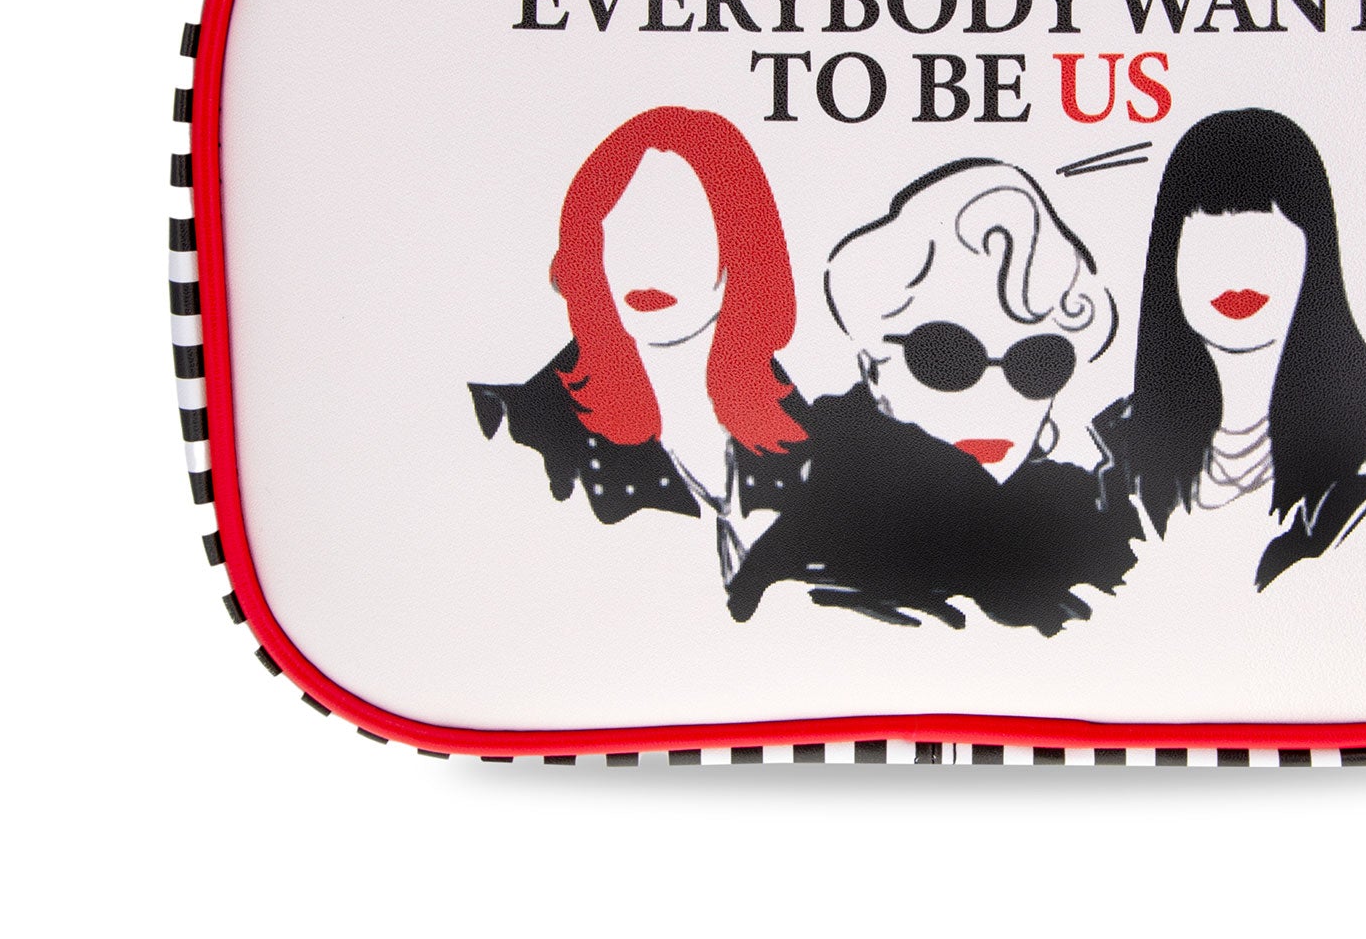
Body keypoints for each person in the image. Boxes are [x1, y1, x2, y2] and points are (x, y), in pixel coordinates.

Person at [728, 158, 1138, 634]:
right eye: (946, 358)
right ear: (872, 368)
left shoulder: (1087, 529)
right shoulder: (814, 562)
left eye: (1037, 363)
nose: (991, 402)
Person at [469, 106, 807, 593]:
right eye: (623, 232)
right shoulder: (518, 431)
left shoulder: (813, 442)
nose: (649, 262)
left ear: (743, 248)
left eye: (682, 231)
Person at [1089, 108, 1366, 590]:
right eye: (1206, 231)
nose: (1236, 267)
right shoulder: (1118, 453)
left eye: (1263, 231)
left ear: (1316, 250)